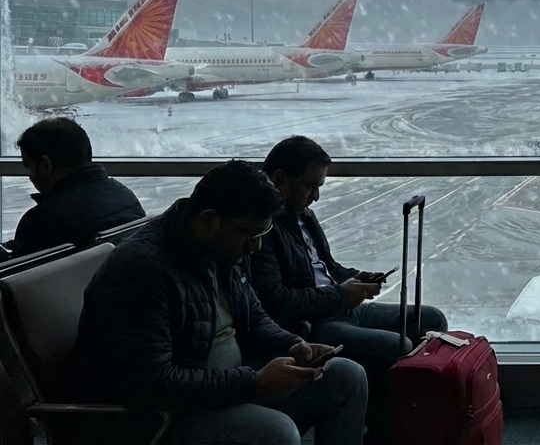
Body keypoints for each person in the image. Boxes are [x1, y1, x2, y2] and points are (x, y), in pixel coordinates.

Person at [69, 160, 368, 445]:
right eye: (251, 234)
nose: (257, 246)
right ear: (209, 219)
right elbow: (153, 383)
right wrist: (254, 383)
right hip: (165, 414)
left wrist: (292, 345)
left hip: (226, 383)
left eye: (262, 233)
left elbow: (254, 315)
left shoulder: (223, 247)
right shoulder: (142, 269)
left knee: (346, 376)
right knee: (275, 432)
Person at [250, 135, 448, 444]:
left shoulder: (304, 215)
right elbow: (277, 301)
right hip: (316, 322)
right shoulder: (261, 231)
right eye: (310, 186)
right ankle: (385, 430)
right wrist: (342, 295)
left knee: (430, 320)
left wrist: (357, 278)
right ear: (280, 180)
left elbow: (326, 265)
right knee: (397, 346)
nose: (315, 196)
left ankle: (401, 418)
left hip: (340, 306)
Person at [2, 116, 144, 259]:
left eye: (29, 167)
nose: (30, 177)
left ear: (46, 165)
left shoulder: (44, 219)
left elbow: (22, 272)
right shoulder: (124, 196)